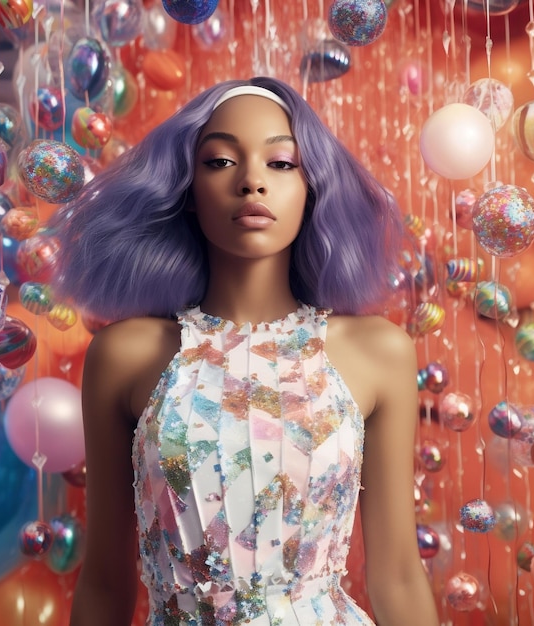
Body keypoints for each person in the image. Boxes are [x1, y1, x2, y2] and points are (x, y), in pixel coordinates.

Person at [51, 76, 439, 626]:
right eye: (220, 161)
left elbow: (397, 574)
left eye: (281, 163)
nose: (253, 181)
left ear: (313, 189)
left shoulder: (377, 352)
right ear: (186, 191)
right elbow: (105, 583)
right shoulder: (125, 355)